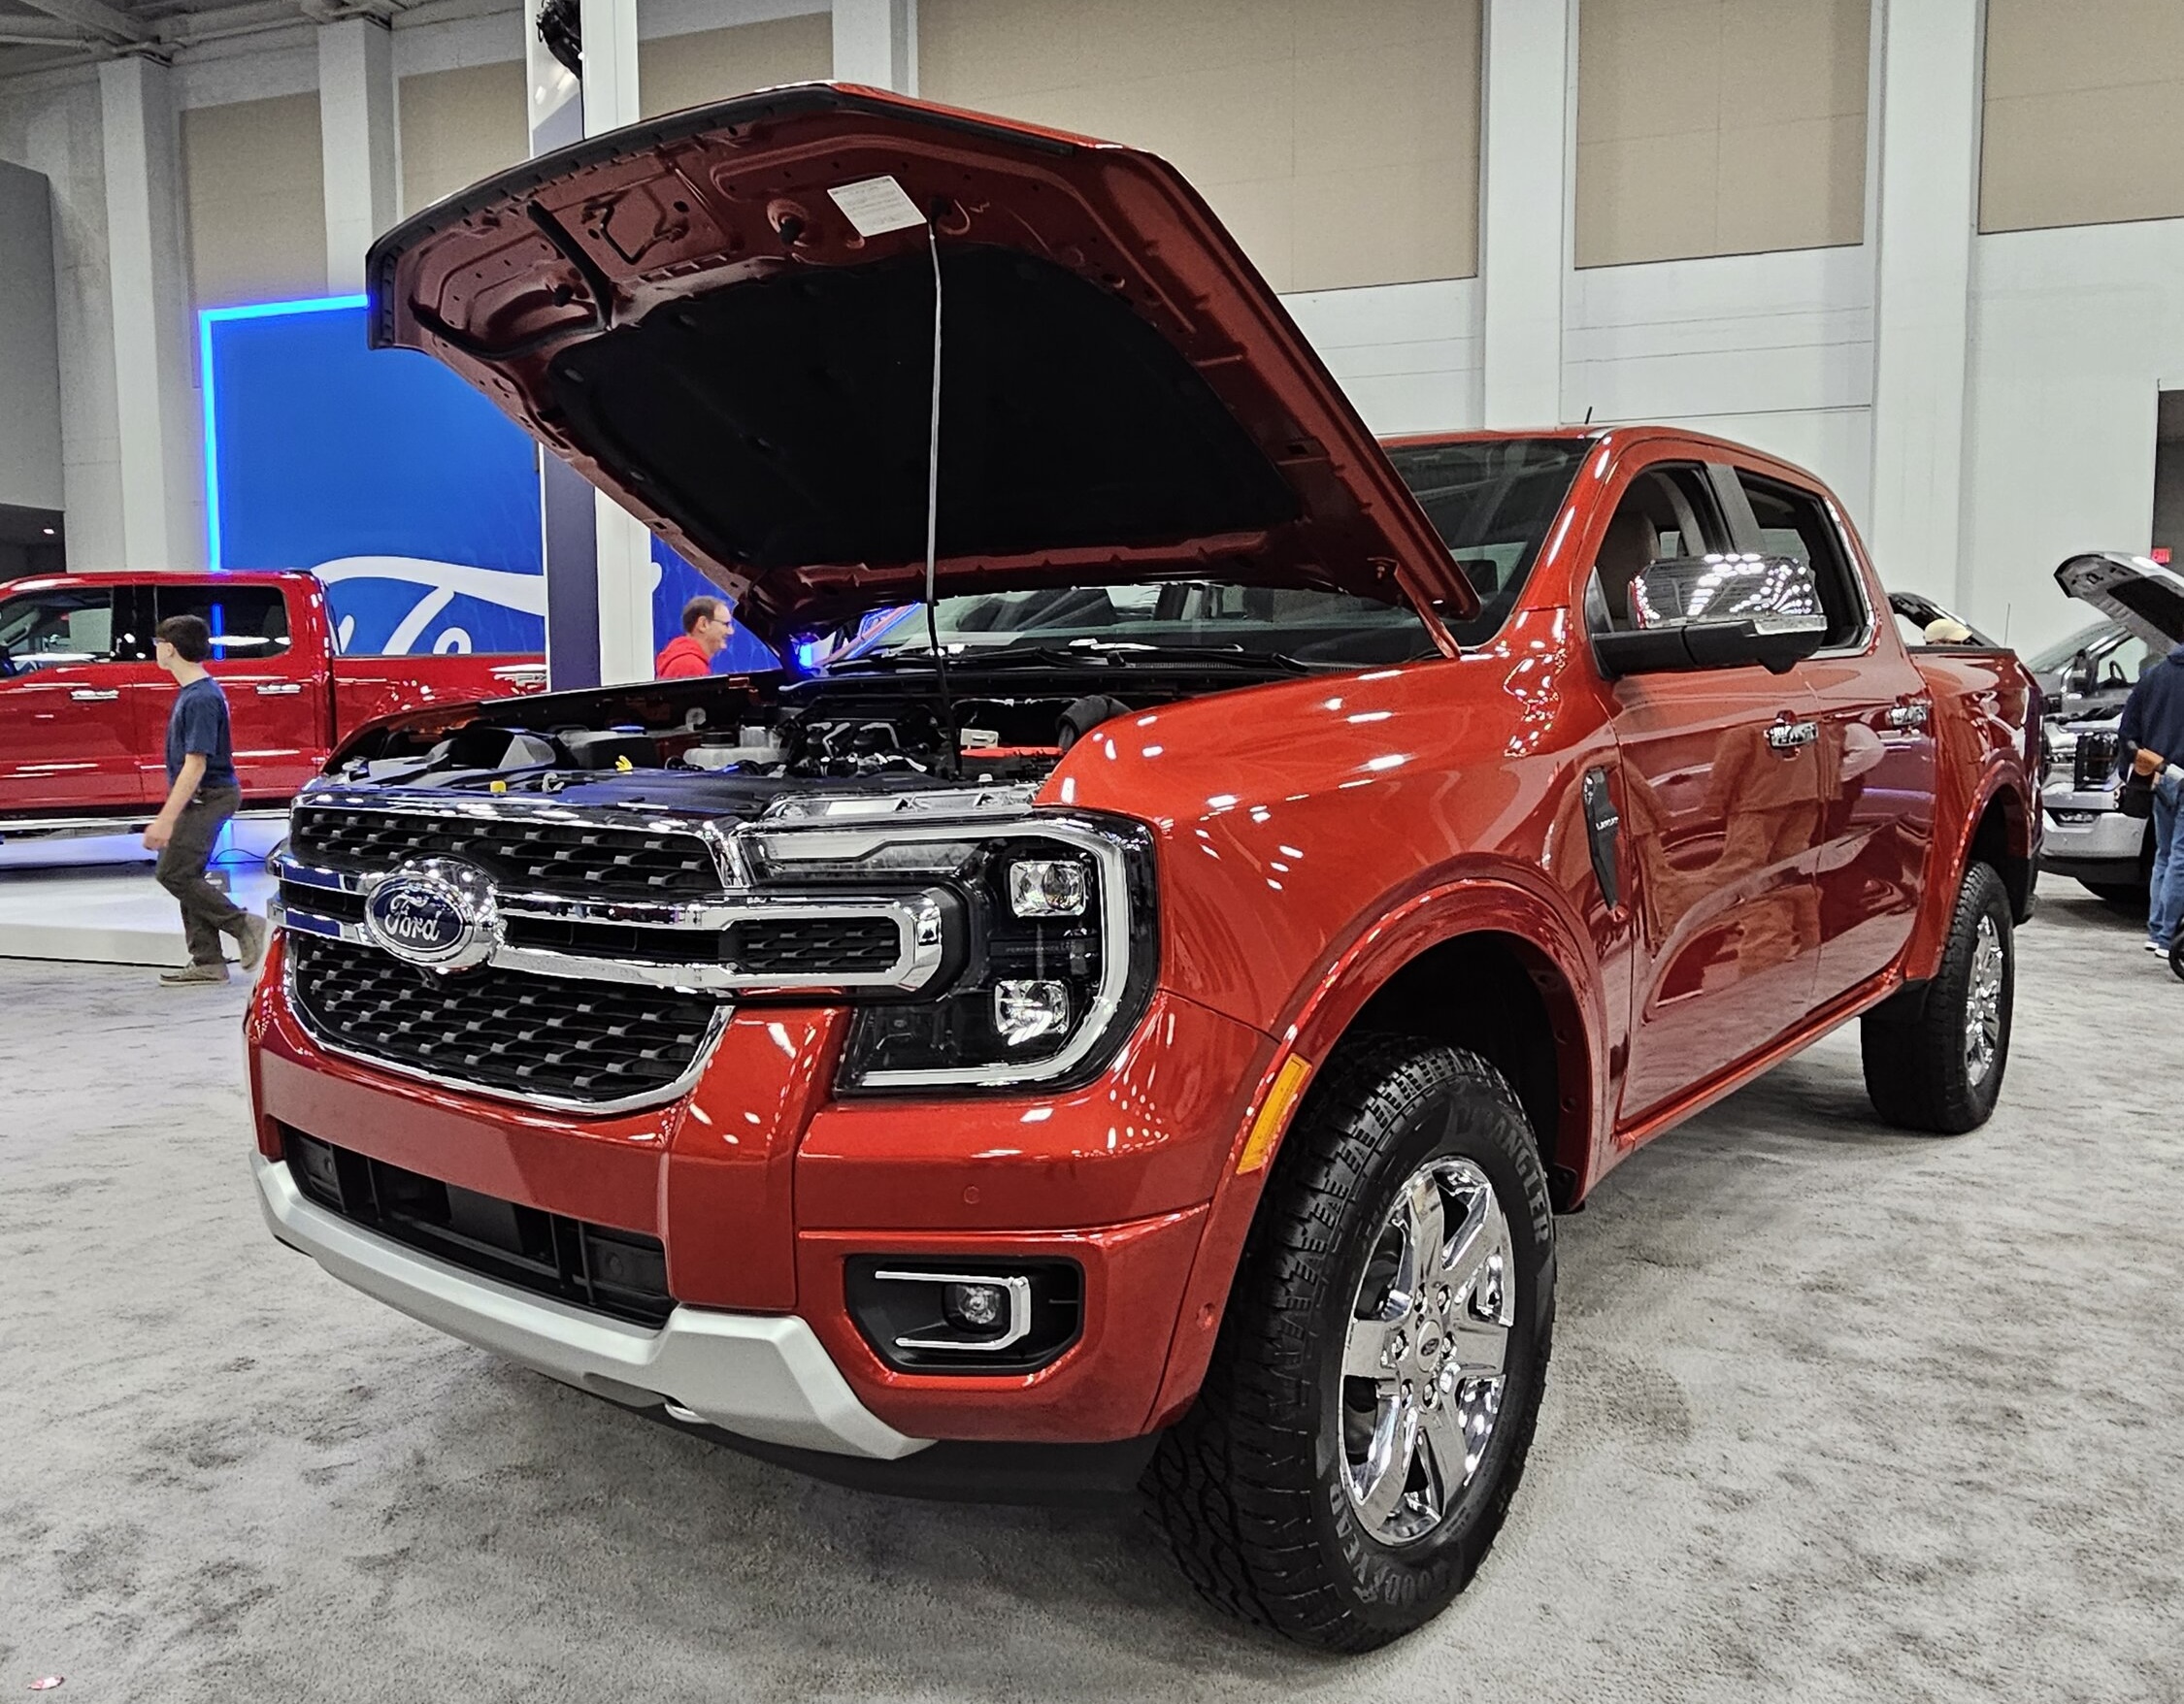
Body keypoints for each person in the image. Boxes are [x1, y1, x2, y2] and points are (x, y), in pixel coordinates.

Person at [144, 614, 268, 985]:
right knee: (184, 872)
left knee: (173, 872)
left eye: (158, 643)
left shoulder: (201, 698)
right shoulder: (195, 693)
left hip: (209, 796)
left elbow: (195, 764)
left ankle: (243, 924)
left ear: (169, 648)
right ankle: (208, 961)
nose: (156, 650)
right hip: (203, 797)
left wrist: (166, 818)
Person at [2117, 633, 2184, 955]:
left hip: (2159, 775)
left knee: (2165, 855)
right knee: (2181, 859)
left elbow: (2127, 730)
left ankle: (2155, 929)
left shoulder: (2153, 675)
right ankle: (2167, 937)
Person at [655, 596, 733, 678]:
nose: (731, 631)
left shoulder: (684, 661)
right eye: (726, 624)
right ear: (703, 624)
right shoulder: (690, 665)